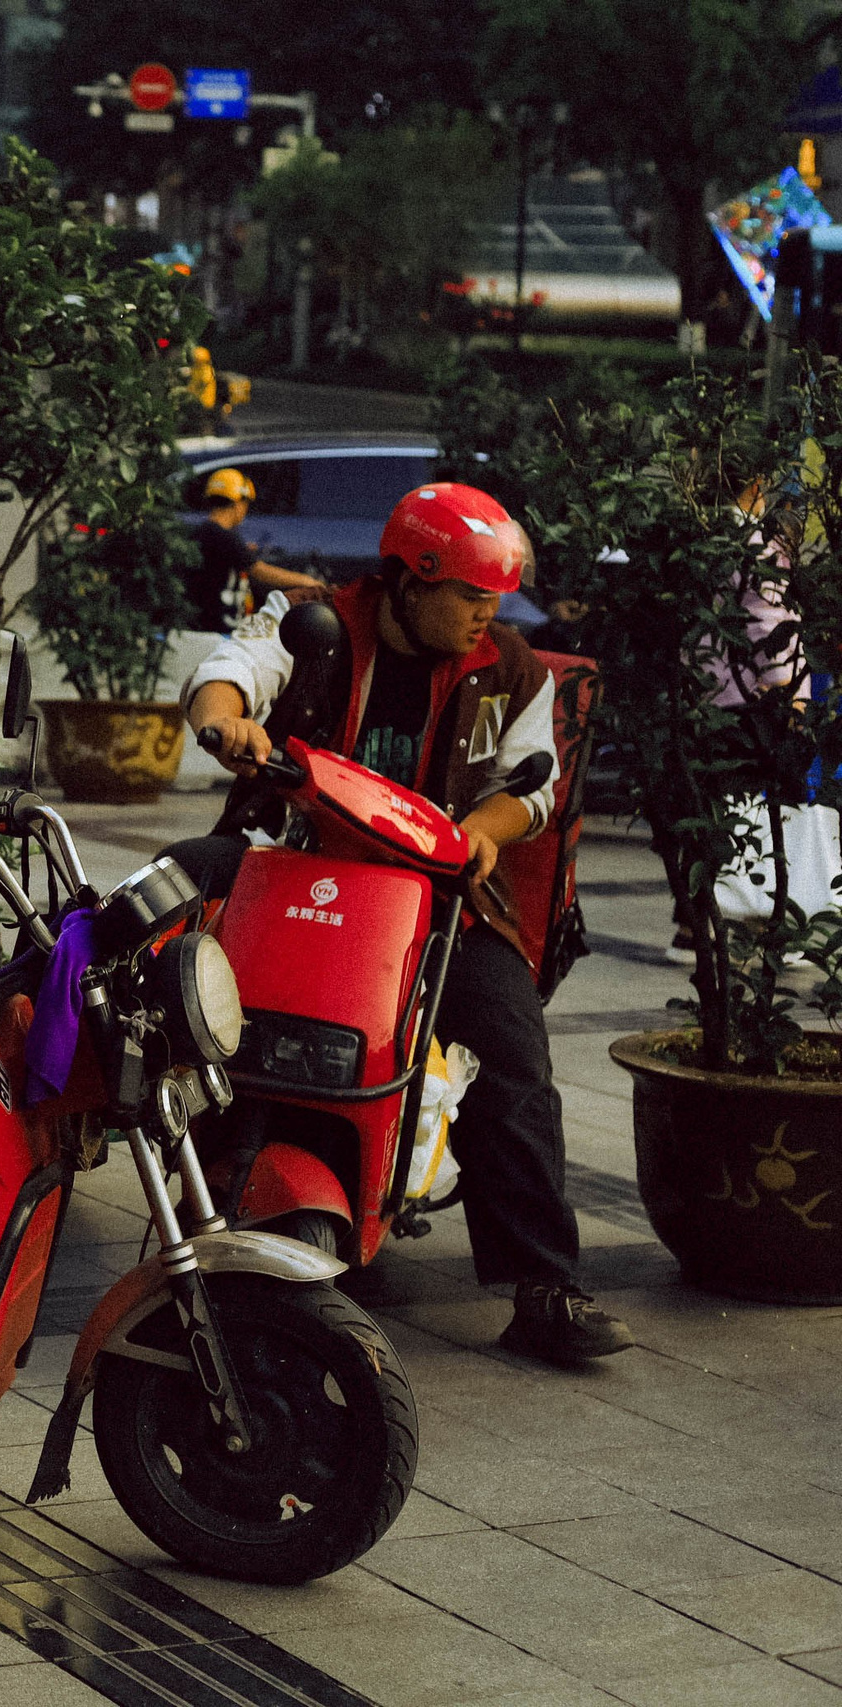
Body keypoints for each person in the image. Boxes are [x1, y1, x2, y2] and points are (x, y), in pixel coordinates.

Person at [175, 481, 635, 1367]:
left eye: (494, 597)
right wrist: (226, 723)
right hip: (298, 864)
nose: (485, 615)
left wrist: (482, 834)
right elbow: (231, 672)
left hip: (435, 898)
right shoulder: (316, 620)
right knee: (164, 930)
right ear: (410, 579)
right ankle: (179, 1185)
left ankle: (544, 1286)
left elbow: (527, 789)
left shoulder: (512, 668)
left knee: (513, 1056)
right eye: (469, 594)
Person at [187, 468, 329, 632]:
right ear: (238, 502)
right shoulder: (223, 536)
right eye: (246, 503)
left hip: (211, 626)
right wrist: (307, 582)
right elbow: (260, 571)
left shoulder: (206, 532)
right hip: (219, 629)